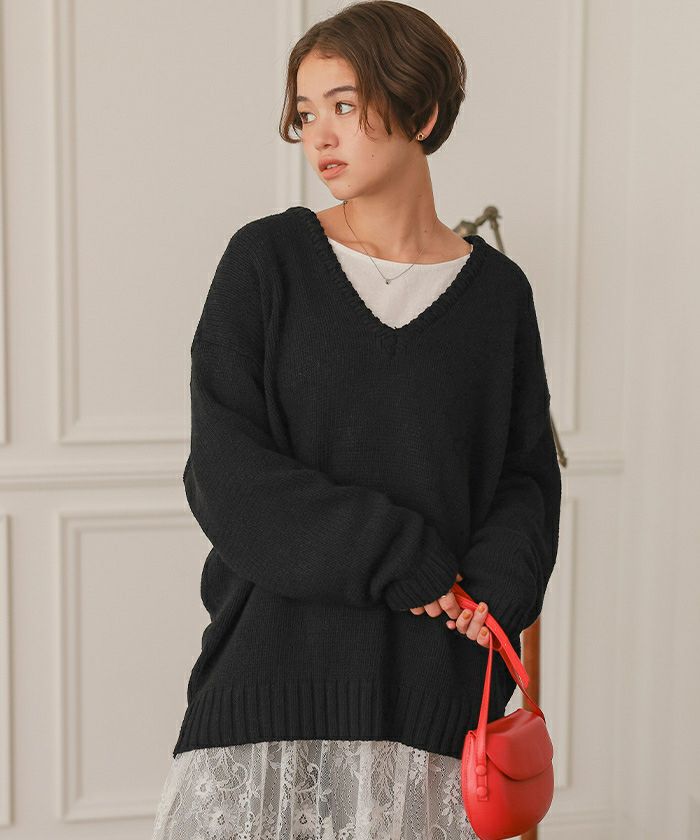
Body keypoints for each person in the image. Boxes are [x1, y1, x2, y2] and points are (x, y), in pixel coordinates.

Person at [151, 2, 561, 838]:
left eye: (344, 105)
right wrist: (400, 556)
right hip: (269, 688)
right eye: (306, 113)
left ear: (423, 112)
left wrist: (495, 589)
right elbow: (225, 474)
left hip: (433, 701)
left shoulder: (497, 295)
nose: (320, 136)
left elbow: (524, 477)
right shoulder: (266, 261)